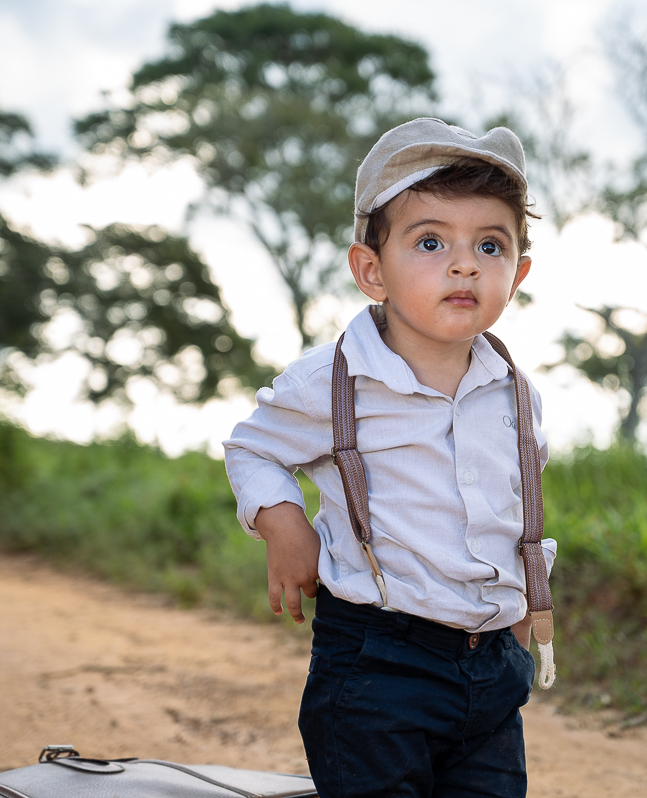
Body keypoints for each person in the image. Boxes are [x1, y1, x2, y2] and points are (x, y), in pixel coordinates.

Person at [223, 117, 556, 798]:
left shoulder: (517, 395)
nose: (464, 263)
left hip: (491, 667)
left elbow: (513, 508)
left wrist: (520, 610)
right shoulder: (335, 380)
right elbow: (253, 447)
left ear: (516, 273)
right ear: (372, 269)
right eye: (430, 241)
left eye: (489, 245)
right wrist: (283, 523)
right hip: (377, 666)